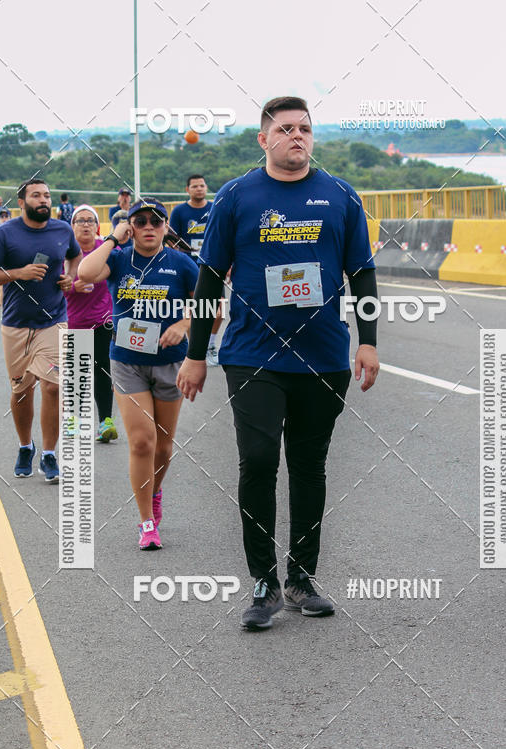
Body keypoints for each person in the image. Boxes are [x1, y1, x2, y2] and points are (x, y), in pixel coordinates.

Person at [177, 95, 380, 630]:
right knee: (260, 460)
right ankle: (264, 582)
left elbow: (361, 272)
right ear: (263, 139)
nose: (298, 137)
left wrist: (369, 340)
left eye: (305, 129)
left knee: (309, 468)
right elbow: (207, 278)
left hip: (324, 357)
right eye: (286, 129)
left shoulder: (339, 196)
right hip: (252, 355)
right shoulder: (237, 196)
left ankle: (301, 578)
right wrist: (196, 356)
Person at [78, 197, 198, 549]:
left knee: (163, 447)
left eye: (156, 221)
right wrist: (114, 238)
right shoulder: (117, 259)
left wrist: (184, 324)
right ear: (131, 226)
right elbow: (85, 274)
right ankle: (146, 521)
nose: (148, 227)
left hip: (169, 362)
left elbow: (211, 304)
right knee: (142, 441)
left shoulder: (181, 263)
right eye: (140, 221)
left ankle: (155, 492)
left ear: (165, 227)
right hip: (127, 361)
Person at [0, 178, 81, 481]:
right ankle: (25, 446)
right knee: (21, 391)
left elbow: (74, 256)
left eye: (47, 195)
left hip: (53, 319)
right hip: (15, 325)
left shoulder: (62, 230)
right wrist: (19, 273)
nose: (44, 200)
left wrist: (70, 277)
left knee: (53, 386)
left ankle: (50, 454)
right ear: (22, 202)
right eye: (37, 195)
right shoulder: (4, 234)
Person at [64, 204, 117, 442]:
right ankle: (74, 421)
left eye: (90, 220)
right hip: (73, 321)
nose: (85, 224)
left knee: (101, 371)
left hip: (102, 321)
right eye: (80, 220)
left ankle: (105, 422)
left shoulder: (106, 252)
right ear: (72, 226)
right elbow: (51, 289)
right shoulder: (64, 254)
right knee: (76, 374)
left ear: (97, 226)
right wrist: (71, 288)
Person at [170, 174, 221, 366]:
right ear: (187, 190)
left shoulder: (215, 207)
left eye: (202, 185)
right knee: (194, 310)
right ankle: (195, 350)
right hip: (190, 267)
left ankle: (211, 346)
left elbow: (223, 237)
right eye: (194, 186)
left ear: (206, 187)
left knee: (218, 310)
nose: (199, 189)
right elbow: (173, 240)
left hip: (214, 266)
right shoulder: (180, 211)